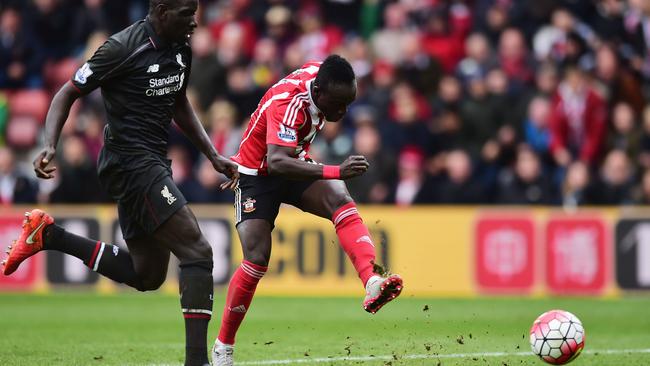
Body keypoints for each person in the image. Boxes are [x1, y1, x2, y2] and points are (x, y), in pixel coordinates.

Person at [1, 1, 239, 365]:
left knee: (147, 275)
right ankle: (197, 361)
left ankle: (49, 235)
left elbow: (179, 102)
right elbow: (67, 92)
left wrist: (212, 154)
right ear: (161, 11)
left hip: (151, 161)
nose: (195, 20)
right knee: (197, 251)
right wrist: (49, 144)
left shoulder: (181, 48)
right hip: (129, 162)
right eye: (186, 12)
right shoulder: (121, 48)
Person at [211, 55, 403, 365]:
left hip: (293, 163)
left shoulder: (321, 75)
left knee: (341, 201)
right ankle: (223, 347)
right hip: (256, 175)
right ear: (320, 92)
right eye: (339, 104)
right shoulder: (288, 104)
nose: (343, 111)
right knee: (257, 258)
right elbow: (275, 161)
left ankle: (372, 282)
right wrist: (335, 170)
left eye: (348, 103)